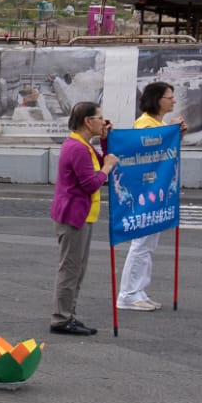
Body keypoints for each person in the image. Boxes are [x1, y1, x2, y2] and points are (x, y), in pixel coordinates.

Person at [50, 101, 118, 337]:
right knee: (70, 269)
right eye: (99, 117)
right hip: (73, 215)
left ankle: (68, 314)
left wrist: (105, 140)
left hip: (81, 214)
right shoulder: (77, 148)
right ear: (88, 121)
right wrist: (107, 167)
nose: (103, 121)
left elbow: (101, 161)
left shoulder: (82, 145)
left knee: (77, 269)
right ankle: (61, 318)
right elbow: (91, 183)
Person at [116, 80, 174, 312]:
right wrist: (171, 134)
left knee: (149, 244)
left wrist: (175, 135)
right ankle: (128, 294)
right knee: (141, 243)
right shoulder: (145, 124)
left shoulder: (159, 123)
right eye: (169, 97)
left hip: (156, 188)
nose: (173, 101)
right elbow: (146, 151)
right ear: (157, 100)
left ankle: (138, 290)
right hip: (144, 189)